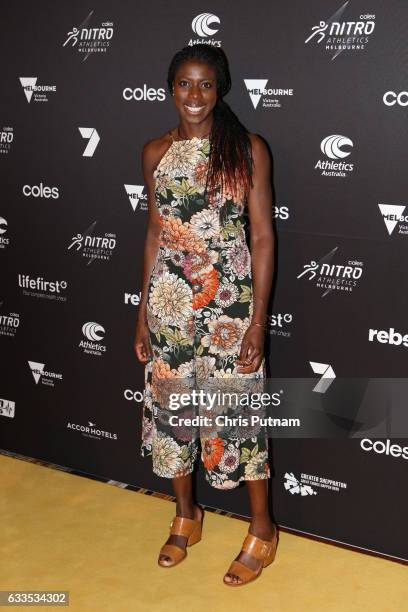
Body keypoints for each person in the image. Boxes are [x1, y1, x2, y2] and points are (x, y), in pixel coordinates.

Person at [134, 44, 277, 587]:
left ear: (221, 91)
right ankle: (186, 516)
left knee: (236, 416)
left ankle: (262, 528)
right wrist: (142, 313)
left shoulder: (247, 150)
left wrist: (258, 320)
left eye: (205, 85)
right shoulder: (154, 152)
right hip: (170, 305)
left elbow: (262, 238)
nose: (194, 96)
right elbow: (154, 233)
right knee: (174, 413)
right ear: (170, 89)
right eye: (184, 85)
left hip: (229, 307)